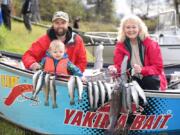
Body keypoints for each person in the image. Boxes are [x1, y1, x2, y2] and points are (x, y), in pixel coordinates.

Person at [108, 15, 167, 91]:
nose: (131, 30)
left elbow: (158, 68)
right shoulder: (120, 45)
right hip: (132, 78)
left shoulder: (151, 44)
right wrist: (114, 69)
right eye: (128, 27)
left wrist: (142, 70)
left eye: (134, 27)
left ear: (139, 28)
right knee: (127, 84)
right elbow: (119, 66)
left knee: (149, 80)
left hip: (151, 80)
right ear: (123, 29)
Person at [22, 11, 87, 72]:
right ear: (53, 24)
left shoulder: (77, 40)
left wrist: (74, 75)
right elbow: (28, 55)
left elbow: (82, 61)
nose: (60, 26)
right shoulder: (44, 40)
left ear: (68, 24)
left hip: (69, 79)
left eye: (63, 23)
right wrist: (33, 64)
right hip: (47, 77)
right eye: (57, 23)